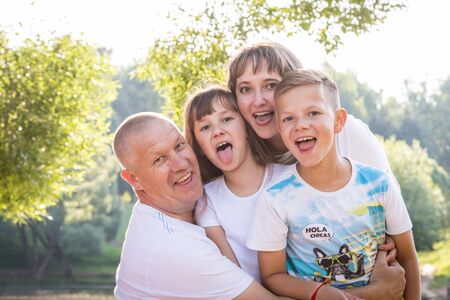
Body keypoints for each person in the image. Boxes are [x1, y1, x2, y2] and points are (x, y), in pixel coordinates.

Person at [183, 85, 405, 299]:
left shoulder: (291, 180)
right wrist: (373, 293)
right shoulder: (207, 201)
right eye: (205, 127)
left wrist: (379, 243)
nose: (218, 131)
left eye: (227, 119)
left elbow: (343, 227)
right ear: (198, 145)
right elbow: (234, 281)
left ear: (247, 128)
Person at [246, 69, 420, 299]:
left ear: (338, 121)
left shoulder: (379, 184)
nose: (301, 125)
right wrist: (322, 293)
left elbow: (408, 257)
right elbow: (272, 276)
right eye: (289, 118)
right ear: (280, 129)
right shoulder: (275, 198)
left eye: (313, 113)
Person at [112, 112, 293, 299]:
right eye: (159, 159)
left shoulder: (169, 214)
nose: (180, 164)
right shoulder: (175, 247)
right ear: (134, 179)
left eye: (179, 145)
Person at [227, 40, 391, 171]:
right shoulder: (237, 152)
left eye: (270, 85)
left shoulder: (346, 134)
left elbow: (388, 198)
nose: (258, 101)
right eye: (245, 89)